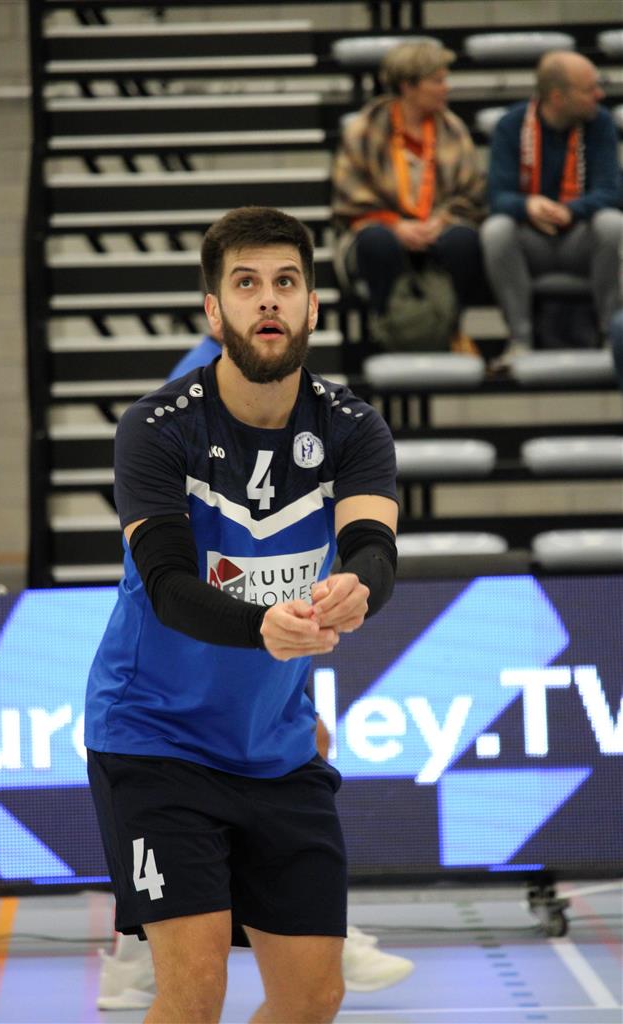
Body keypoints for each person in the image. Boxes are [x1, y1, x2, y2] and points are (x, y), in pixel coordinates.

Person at [85, 206, 401, 1023]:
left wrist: (358, 589)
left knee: (312, 998)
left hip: (274, 747)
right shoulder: (155, 429)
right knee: (195, 995)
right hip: (155, 741)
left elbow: (372, 547)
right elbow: (165, 583)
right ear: (212, 310)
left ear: (312, 306)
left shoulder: (352, 428)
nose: (268, 299)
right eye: (246, 283)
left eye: (286, 282)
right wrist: (261, 625)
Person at [331, 40, 487, 353]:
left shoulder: (453, 129)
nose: (445, 88)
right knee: (377, 242)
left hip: (438, 229)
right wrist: (395, 225)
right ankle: (388, 334)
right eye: (437, 81)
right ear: (408, 86)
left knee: (463, 241)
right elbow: (350, 194)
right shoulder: (365, 128)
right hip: (380, 229)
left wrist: (441, 221)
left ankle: (448, 329)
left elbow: (471, 194)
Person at [480, 50, 623, 369]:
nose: (599, 95)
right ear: (558, 97)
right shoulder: (511, 125)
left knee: (613, 223)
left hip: (580, 240)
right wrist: (528, 205)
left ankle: (612, 334)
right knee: (496, 230)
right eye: (589, 89)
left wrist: (571, 210)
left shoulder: (599, 123)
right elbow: (497, 197)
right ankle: (520, 340)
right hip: (533, 243)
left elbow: (611, 191)